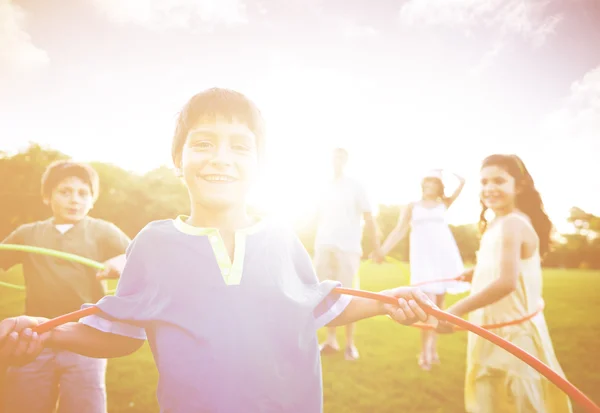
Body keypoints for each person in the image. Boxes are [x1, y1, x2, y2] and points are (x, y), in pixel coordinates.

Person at [0, 88, 435, 413]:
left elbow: (321, 304)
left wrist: (387, 302)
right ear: (179, 159)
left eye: (239, 146)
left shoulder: (281, 238)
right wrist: (43, 332)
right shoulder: (154, 244)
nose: (220, 158)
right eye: (203, 143)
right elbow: (117, 335)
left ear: (259, 165)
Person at [436, 154, 573, 413]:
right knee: (492, 399)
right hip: (490, 328)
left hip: (515, 335)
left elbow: (507, 283)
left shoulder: (513, 223)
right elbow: (504, 263)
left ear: (518, 186)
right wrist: (474, 272)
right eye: (484, 182)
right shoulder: (497, 223)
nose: (489, 188)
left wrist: (455, 310)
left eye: (499, 181)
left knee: (520, 401)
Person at [0, 160, 130, 413]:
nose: (74, 200)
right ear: (47, 197)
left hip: (87, 338)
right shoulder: (28, 233)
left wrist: (121, 261)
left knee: (84, 405)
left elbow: (140, 258)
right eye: (64, 192)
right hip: (35, 338)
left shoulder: (103, 231)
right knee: (25, 403)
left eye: (83, 193)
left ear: (93, 200)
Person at [371, 169, 468, 371]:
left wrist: (457, 178)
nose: (429, 186)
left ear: (439, 186)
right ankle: (424, 352)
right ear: (422, 185)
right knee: (427, 306)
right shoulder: (412, 206)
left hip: (444, 257)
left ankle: (433, 350)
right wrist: (382, 250)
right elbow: (399, 230)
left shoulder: (444, 204)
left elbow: (461, 185)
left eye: (434, 183)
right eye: (427, 182)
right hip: (424, 260)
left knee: (440, 307)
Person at [314, 147, 380, 361]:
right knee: (325, 295)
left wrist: (376, 247)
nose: (337, 160)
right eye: (334, 156)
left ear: (346, 160)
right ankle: (330, 340)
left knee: (350, 296)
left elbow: (369, 217)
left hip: (348, 248)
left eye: (341, 156)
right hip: (324, 246)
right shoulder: (322, 186)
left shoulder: (355, 186)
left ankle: (350, 344)